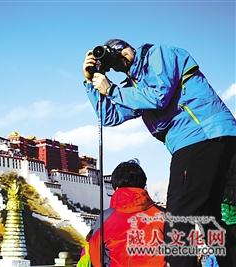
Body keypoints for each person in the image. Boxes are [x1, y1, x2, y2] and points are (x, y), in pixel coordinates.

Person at [82, 39, 236, 266]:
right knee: (210, 217)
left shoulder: (157, 55)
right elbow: (109, 115)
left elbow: (158, 95)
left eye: (121, 48)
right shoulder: (132, 88)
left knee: (178, 219)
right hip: (209, 140)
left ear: (131, 47)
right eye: (113, 56)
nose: (120, 55)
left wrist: (112, 89)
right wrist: (90, 83)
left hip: (200, 136)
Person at [87, 160, 165, 267]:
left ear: (116, 188)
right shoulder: (163, 215)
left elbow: (95, 257)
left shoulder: (105, 219)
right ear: (143, 186)